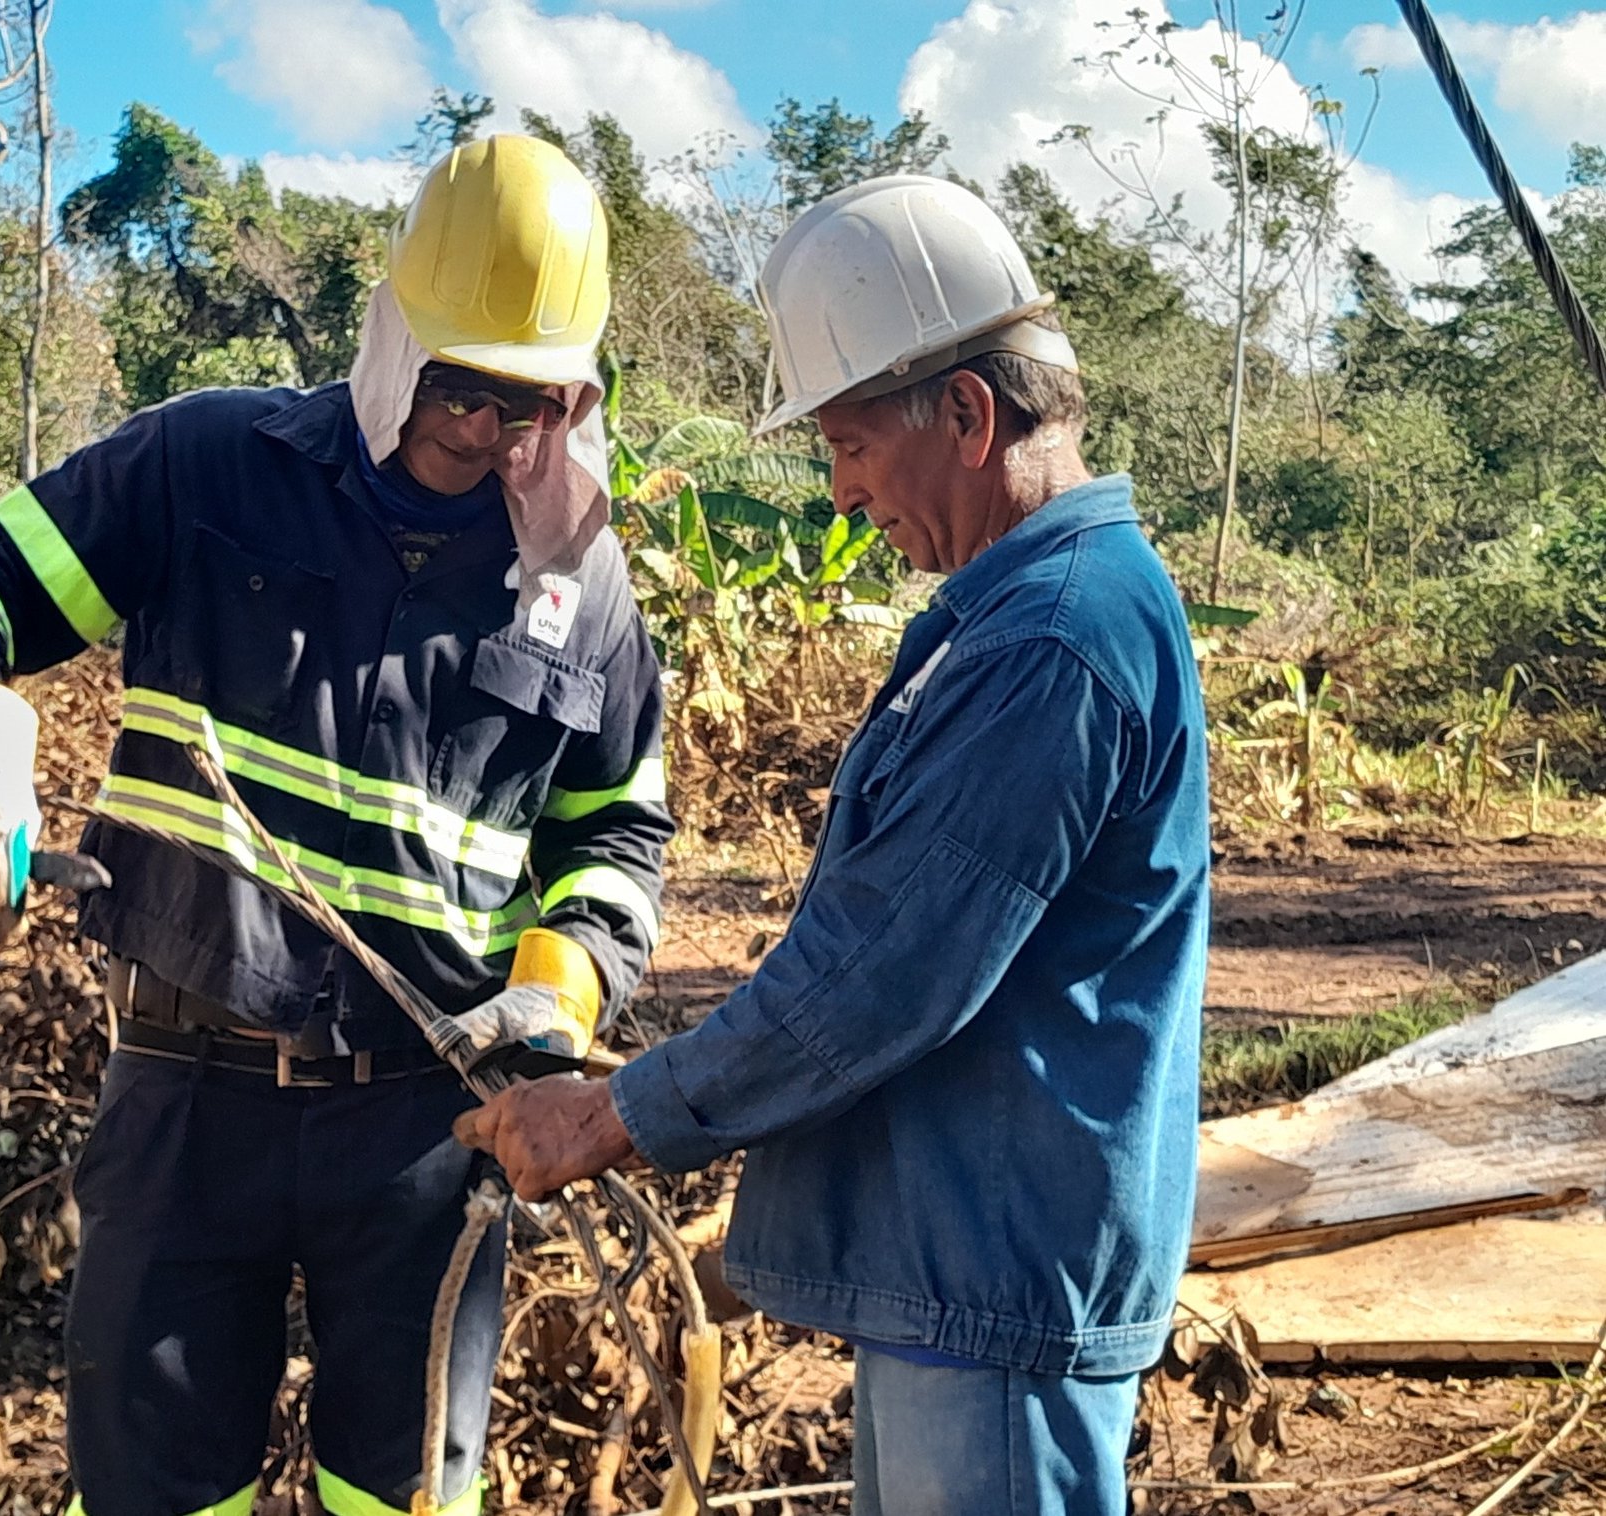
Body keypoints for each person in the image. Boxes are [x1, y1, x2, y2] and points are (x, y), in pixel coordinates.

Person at [0, 134, 673, 1516]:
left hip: (434, 1131)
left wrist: (564, 979)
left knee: (410, 1499)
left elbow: (616, 838)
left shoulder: (585, 592)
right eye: (458, 388)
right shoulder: (208, 468)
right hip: (188, 1095)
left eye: (526, 403)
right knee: (153, 1496)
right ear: (390, 338)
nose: (485, 433)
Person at [458, 175, 1210, 1516]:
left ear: (968, 416)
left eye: (853, 447)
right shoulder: (1024, 613)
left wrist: (616, 1114)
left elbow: (885, 975)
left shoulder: (1055, 641)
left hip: (996, 1282)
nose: (846, 496)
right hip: (964, 1265)